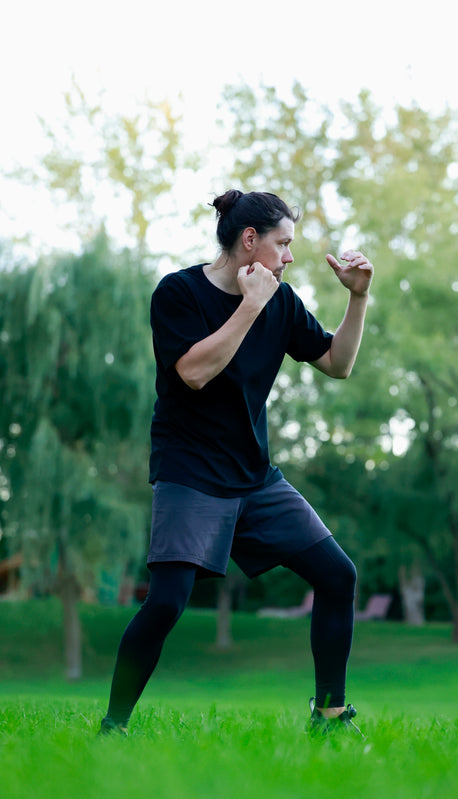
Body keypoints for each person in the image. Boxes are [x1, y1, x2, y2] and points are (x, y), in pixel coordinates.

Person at [100, 189, 373, 736]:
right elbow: (194, 372)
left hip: (254, 477)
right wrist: (250, 306)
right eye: (282, 243)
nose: (289, 256)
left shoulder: (282, 301)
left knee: (337, 575)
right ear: (250, 240)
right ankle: (114, 727)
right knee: (166, 603)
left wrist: (359, 298)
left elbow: (337, 363)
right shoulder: (178, 293)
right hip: (190, 472)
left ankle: (329, 716)